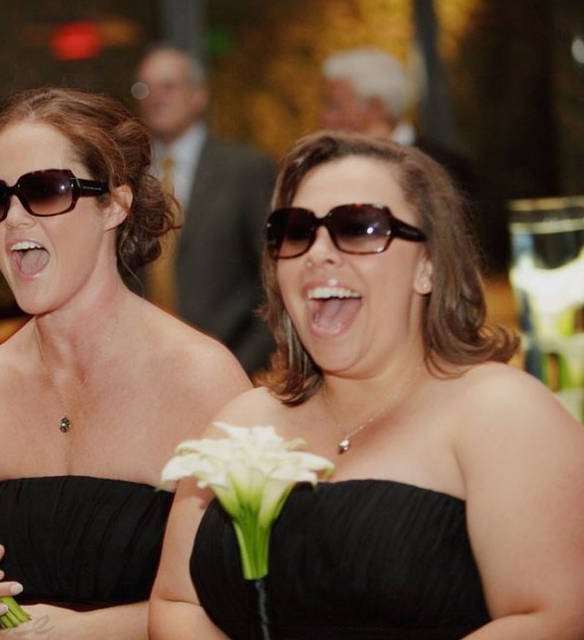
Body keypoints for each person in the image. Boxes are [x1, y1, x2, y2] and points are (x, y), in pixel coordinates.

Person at [149, 131, 584, 639]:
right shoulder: (241, 422)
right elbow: (176, 602)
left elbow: (554, 618)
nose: (320, 252)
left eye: (360, 227)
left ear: (429, 265)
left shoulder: (502, 413)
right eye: (295, 230)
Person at [0, 87, 251, 639]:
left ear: (116, 204)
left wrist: (91, 631)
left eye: (46, 190)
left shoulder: (203, 382)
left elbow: (250, 602)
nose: (15, 219)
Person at [134, 45, 276, 375]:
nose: (156, 97)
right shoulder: (128, 177)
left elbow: (273, 279)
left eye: (169, 86)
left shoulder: (245, 169)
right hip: (146, 372)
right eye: (145, 88)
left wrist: (240, 364)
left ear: (198, 95)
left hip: (231, 365)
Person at [321, 46, 474, 195]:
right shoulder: (327, 167)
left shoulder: (448, 171)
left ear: (376, 108)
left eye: (335, 106)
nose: (325, 117)